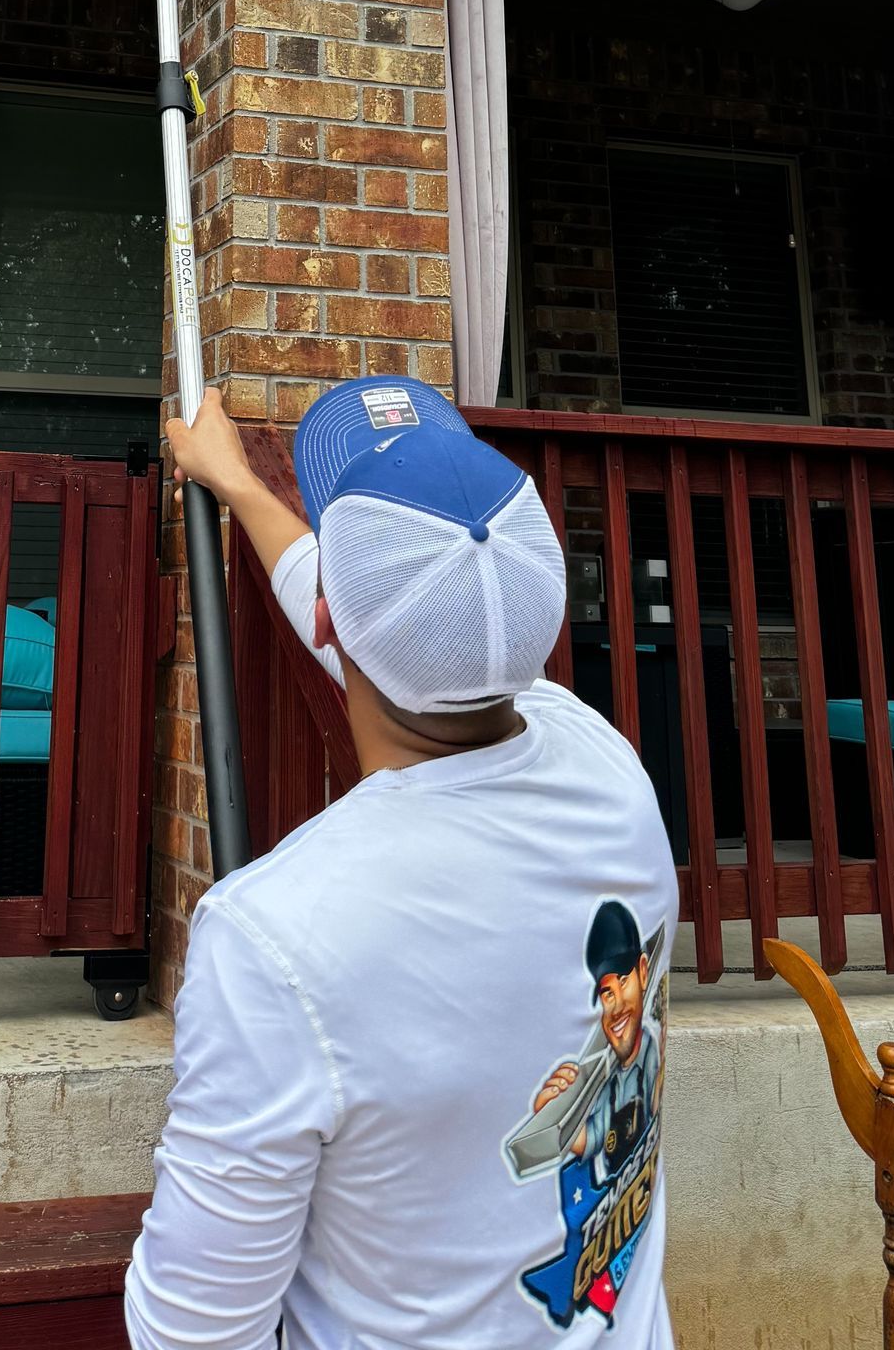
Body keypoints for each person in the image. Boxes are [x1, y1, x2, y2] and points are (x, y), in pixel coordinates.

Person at [124, 378, 677, 1350]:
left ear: (337, 615)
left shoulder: (276, 939)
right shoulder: (607, 768)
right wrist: (243, 488)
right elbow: (403, 640)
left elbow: (193, 1333)